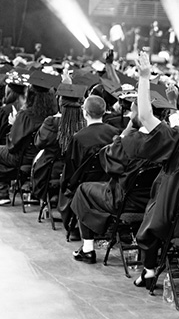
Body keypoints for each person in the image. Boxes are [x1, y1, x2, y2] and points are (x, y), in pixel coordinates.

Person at [73, 53, 179, 279]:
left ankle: (149, 270)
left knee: (154, 210)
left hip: (171, 222)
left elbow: (147, 116)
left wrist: (144, 77)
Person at [70, 101, 152, 259]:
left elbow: (109, 163)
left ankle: (88, 249)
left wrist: (123, 135)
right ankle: (116, 230)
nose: (129, 115)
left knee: (82, 190)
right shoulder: (161, 141)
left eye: (132, 112)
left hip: (124, 201)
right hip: (150, 203)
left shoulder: (130, 142)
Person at [59, 95, 118, 234]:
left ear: (84, 112)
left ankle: (74, 228)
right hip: (109, 183)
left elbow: (72, 167)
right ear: (104, 112)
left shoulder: (79, 137)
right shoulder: (116, 133)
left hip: (84, 186)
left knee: (65, 180)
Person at [0, 72, 58, 204]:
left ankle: (2, 191)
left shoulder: (26, 115)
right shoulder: (54, 116)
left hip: (23, 159)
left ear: (31, 95)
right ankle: (26, 188)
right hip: (43, 159)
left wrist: (13, 125)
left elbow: (12, 145)